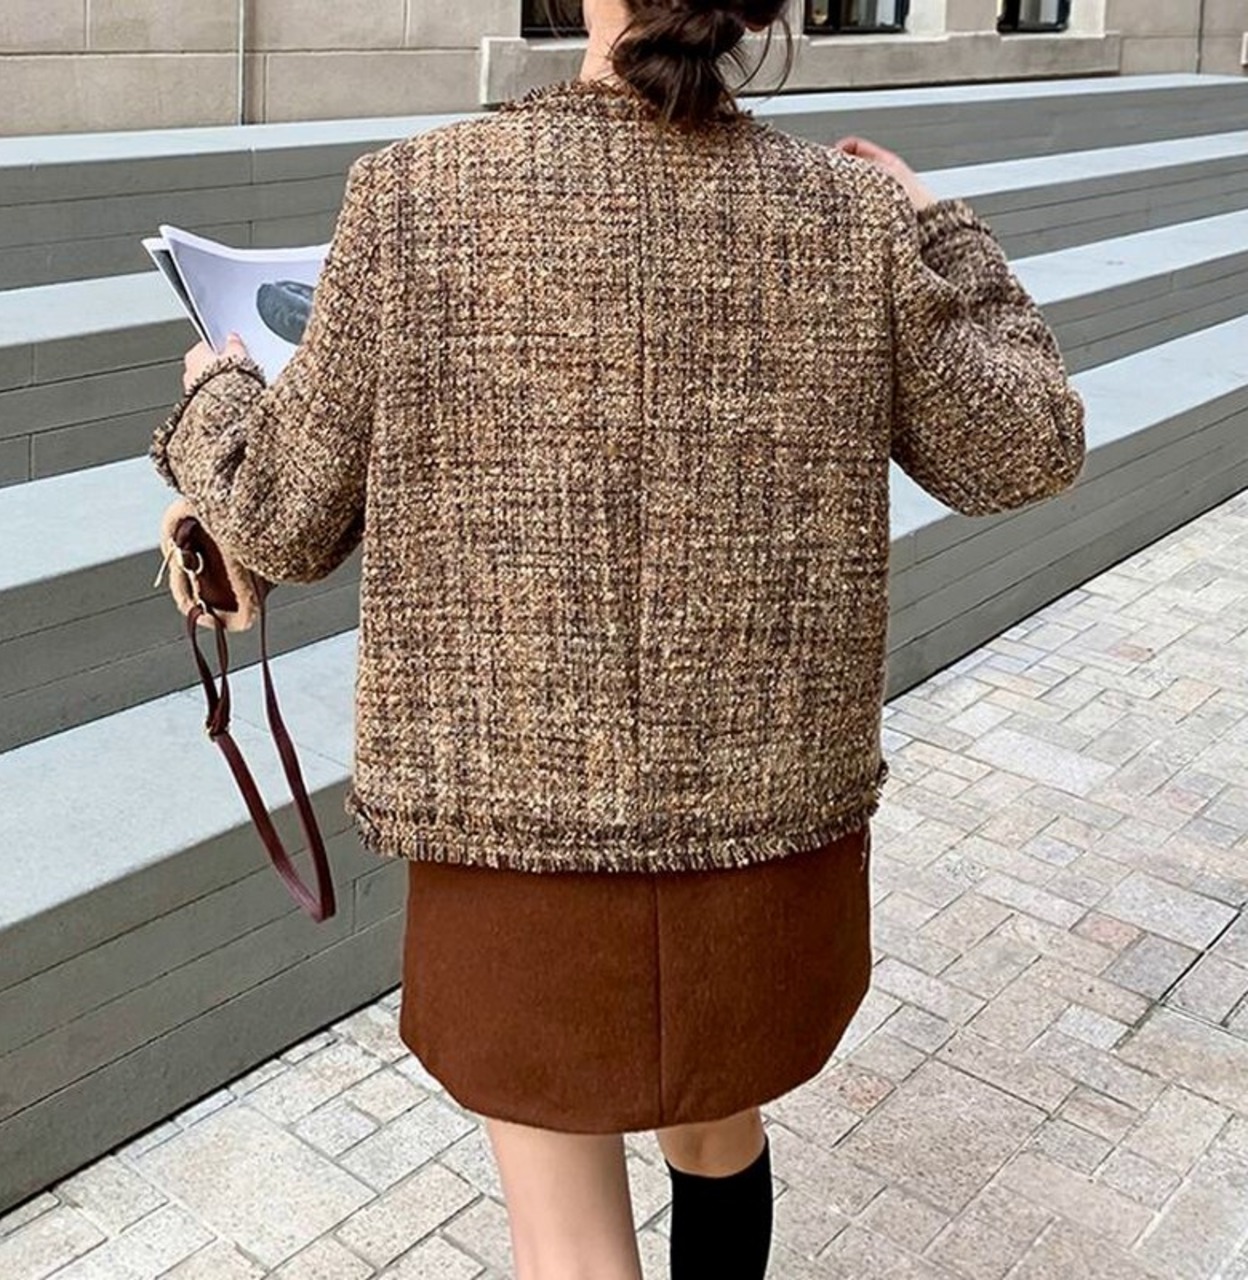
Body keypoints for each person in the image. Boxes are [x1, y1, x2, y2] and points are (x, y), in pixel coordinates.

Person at [152, 0, 1086, 1276]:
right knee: (718, 1125)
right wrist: (941, 228)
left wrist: (214, 395)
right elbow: (1026, 442)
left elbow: (280, 514)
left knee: (568, 1230)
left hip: (515, 834)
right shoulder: (850, 215)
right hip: (766, 835)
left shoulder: (415, 193)